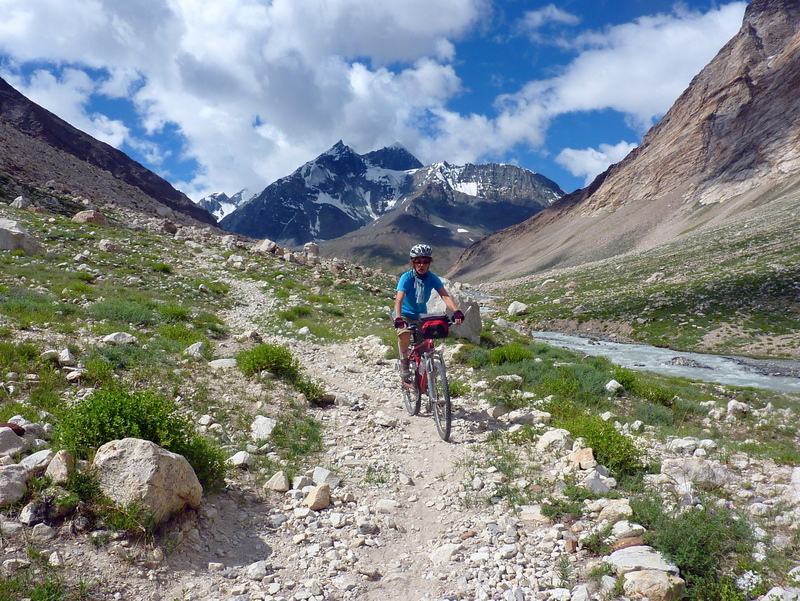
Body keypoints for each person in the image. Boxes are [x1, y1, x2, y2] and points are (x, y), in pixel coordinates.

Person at [393, 244, 464, 377]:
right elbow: (399, 299)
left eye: (425, 261)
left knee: (426, 347)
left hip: (420, 315)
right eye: (418, 261)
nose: (421, 265)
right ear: (413, 263)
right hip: (404, 314)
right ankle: (404, 361)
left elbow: (444, 295)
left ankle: (425, 378)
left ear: (429, 263)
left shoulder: (432, 278)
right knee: (405, 333)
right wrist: (398, 317)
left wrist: (456, 311)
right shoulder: (406, 278)